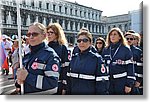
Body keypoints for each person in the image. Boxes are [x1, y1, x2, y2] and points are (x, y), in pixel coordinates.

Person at [15, 22, 60, 94]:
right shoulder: (27, 56)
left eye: (34, 34)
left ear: (44, 36)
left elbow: (52, 83)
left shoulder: (50, 55)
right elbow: (20, 76)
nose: (31, 37)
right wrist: (18, 81)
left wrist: (28, 77)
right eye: (29, 34)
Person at [102, 28, 135, 95]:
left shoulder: (126, 49)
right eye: (111, 35)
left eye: (115, 34)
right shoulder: (106, 49)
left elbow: (130, 67)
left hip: (121, 81)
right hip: (109, 82)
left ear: (120, 37)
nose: (112, 36)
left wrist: (129, 84)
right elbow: (102, 66)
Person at [46, 23, 70, 95]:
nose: (49, 34)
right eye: (48, 32)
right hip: (46, 83)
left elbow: (66, 68)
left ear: (57, 34)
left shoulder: (63, 48)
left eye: (51, 32)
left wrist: (64, 86)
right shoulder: (45, 48)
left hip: (58, 83)